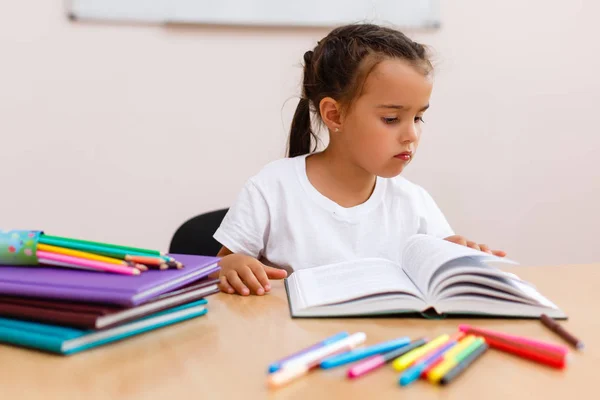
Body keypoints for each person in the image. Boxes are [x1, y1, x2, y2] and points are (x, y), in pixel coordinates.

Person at [213, 23, 505, 296]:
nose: (411, 135)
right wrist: (229, 267)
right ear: (335, 115)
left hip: (387, 345)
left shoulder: (414, 203)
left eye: (418, 118)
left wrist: (456, 257)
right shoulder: (272, 188)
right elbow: (217, 270)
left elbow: (437, 277)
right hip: (298, 344)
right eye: (391, 118)